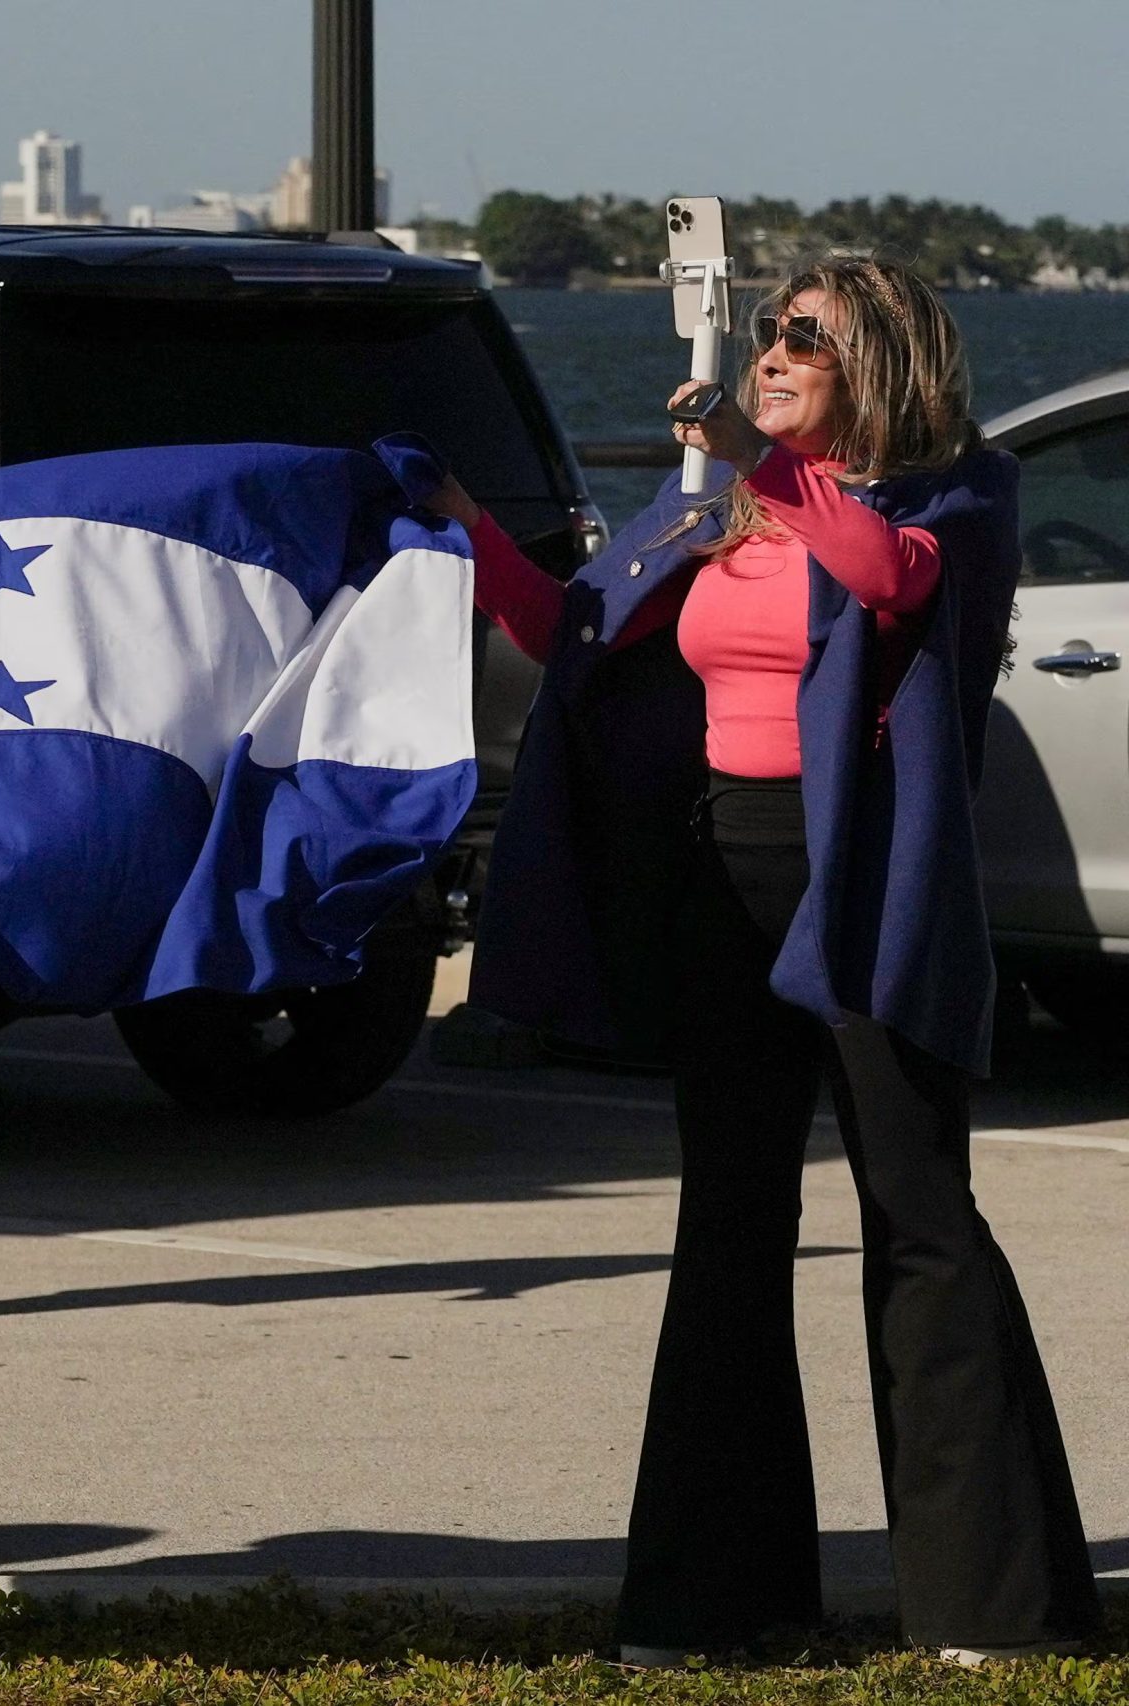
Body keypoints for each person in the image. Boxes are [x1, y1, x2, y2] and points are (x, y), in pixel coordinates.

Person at [428, 253, 1099, 1664]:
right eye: (771, 333)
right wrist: (472, 533)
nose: (773, 352)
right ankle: (715, 1605)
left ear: (884, 368)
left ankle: (992, 1609)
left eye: (807, 337)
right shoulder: (715, 513)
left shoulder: (950, 493)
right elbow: (580, 637)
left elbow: (891, 577)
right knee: (730, 1225)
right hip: (719, 878)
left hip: (866, 879)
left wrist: (761, 464)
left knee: (919, 1213)